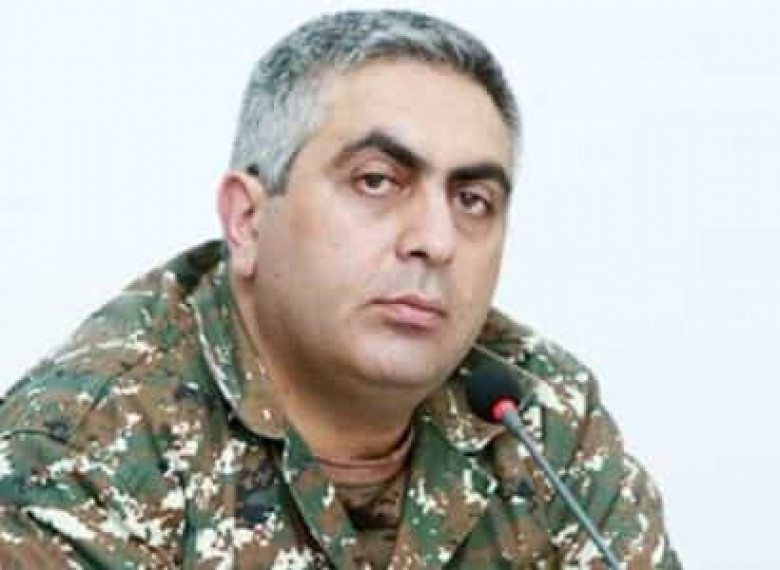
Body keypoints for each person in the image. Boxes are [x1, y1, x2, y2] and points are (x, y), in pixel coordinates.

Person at [0, 9, 680, 569]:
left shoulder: (537, 413)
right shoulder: (81, 449)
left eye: (473, 200)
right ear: (247, 219)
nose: (436, 240)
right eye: (376, 181)